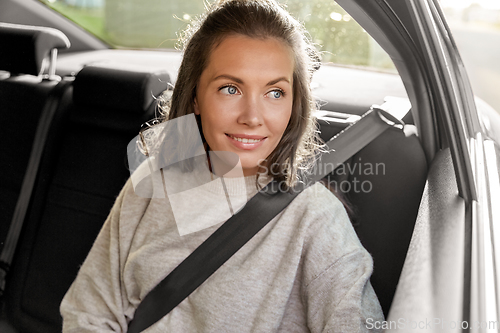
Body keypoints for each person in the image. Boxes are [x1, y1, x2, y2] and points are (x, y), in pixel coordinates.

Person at [60, 0, 384, 331]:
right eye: (230, 89)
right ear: (196, 96)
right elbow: (88, 312)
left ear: (294, 103)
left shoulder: (316, 219)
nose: (252, 117)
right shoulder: (153, 181)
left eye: (275, 93)